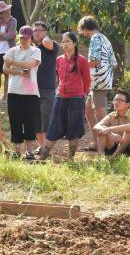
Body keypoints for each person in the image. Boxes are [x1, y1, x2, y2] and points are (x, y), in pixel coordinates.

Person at [41, 32, 91, 161]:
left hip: (76, 99)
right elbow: (58, 78)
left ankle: (71, 158)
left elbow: (87, 80)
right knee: (53, 127)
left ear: (74, 43)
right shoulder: (59, 60)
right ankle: (43, 157)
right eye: (63, 42)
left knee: (74, 129)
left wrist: (82, 94)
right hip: (60, 97)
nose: (65, 44)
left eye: (68, 41)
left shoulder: (82, 60)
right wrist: (60, 90)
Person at [77, 16, 117, 151]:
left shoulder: (95, 38)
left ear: (85, 28)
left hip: (98, 82)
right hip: (100, 81)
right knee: (88, 110)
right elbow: (114, 63)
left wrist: (78, 66)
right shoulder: (104, 38)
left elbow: (94, 61)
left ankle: (109, 144)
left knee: (101, 114)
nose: (82, 34)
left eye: (82, 31)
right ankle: (96, 142)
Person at [3, 26, 42, 160]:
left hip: (30, 92)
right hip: (13, 91)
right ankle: (16, 151)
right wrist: (20, 72)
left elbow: (30, 65)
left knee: (30, 122)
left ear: (30, 38)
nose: (23, 40)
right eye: (21, 38)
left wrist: (13, 62)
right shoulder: (12, 50)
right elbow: (5, 69)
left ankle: (29, 152)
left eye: (26, 38)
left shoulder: (35, 51)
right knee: (15, 121)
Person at [32, 21, 59, 147]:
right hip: (32, 88)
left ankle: (45, 148)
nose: (36, 33)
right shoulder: (32, 49)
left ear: (45, 32)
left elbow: (47, 43)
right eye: (34, 30)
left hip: (47, 88)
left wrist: (44, 37)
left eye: (39, 30)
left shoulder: (52, 45)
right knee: (36, 119)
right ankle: (41, 146)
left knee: (45, 119)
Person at [92, 91, 130, 157]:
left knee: (129, 130)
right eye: (115, 100)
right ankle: (101, 157)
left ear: (127, 104)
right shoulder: (111, 115)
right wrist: (111, 133)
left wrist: (109, 129)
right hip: (114, 145)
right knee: (102, 131)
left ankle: (114, 157)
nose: (116, 102)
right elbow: (96, 127)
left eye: (120, 100)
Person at [0, 1, 17, 98]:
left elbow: (11, 35)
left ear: (7, 11)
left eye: (1, 12)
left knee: (7, 74)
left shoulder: (13, 21)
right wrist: (0, 35)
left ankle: (6, 96)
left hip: (8, 51)